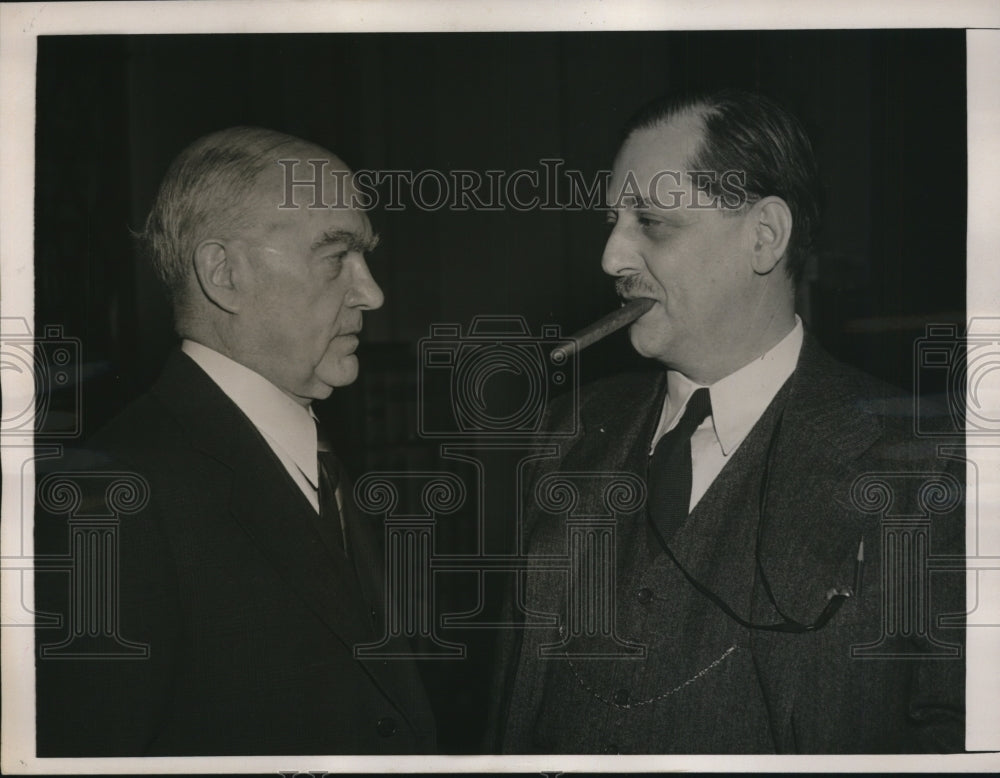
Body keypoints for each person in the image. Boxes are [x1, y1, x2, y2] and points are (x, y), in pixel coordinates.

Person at [491, 90, 965, 754]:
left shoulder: (927, 466)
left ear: (764, 236)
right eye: (613, 220)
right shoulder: (565, 434)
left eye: (651, 222)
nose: (611, 258)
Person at [34, 127, 436, 755]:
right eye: (336, 256)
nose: (372, 292)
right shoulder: (111, 497)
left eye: (365, 257)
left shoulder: (314, 456)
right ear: (224, 274)